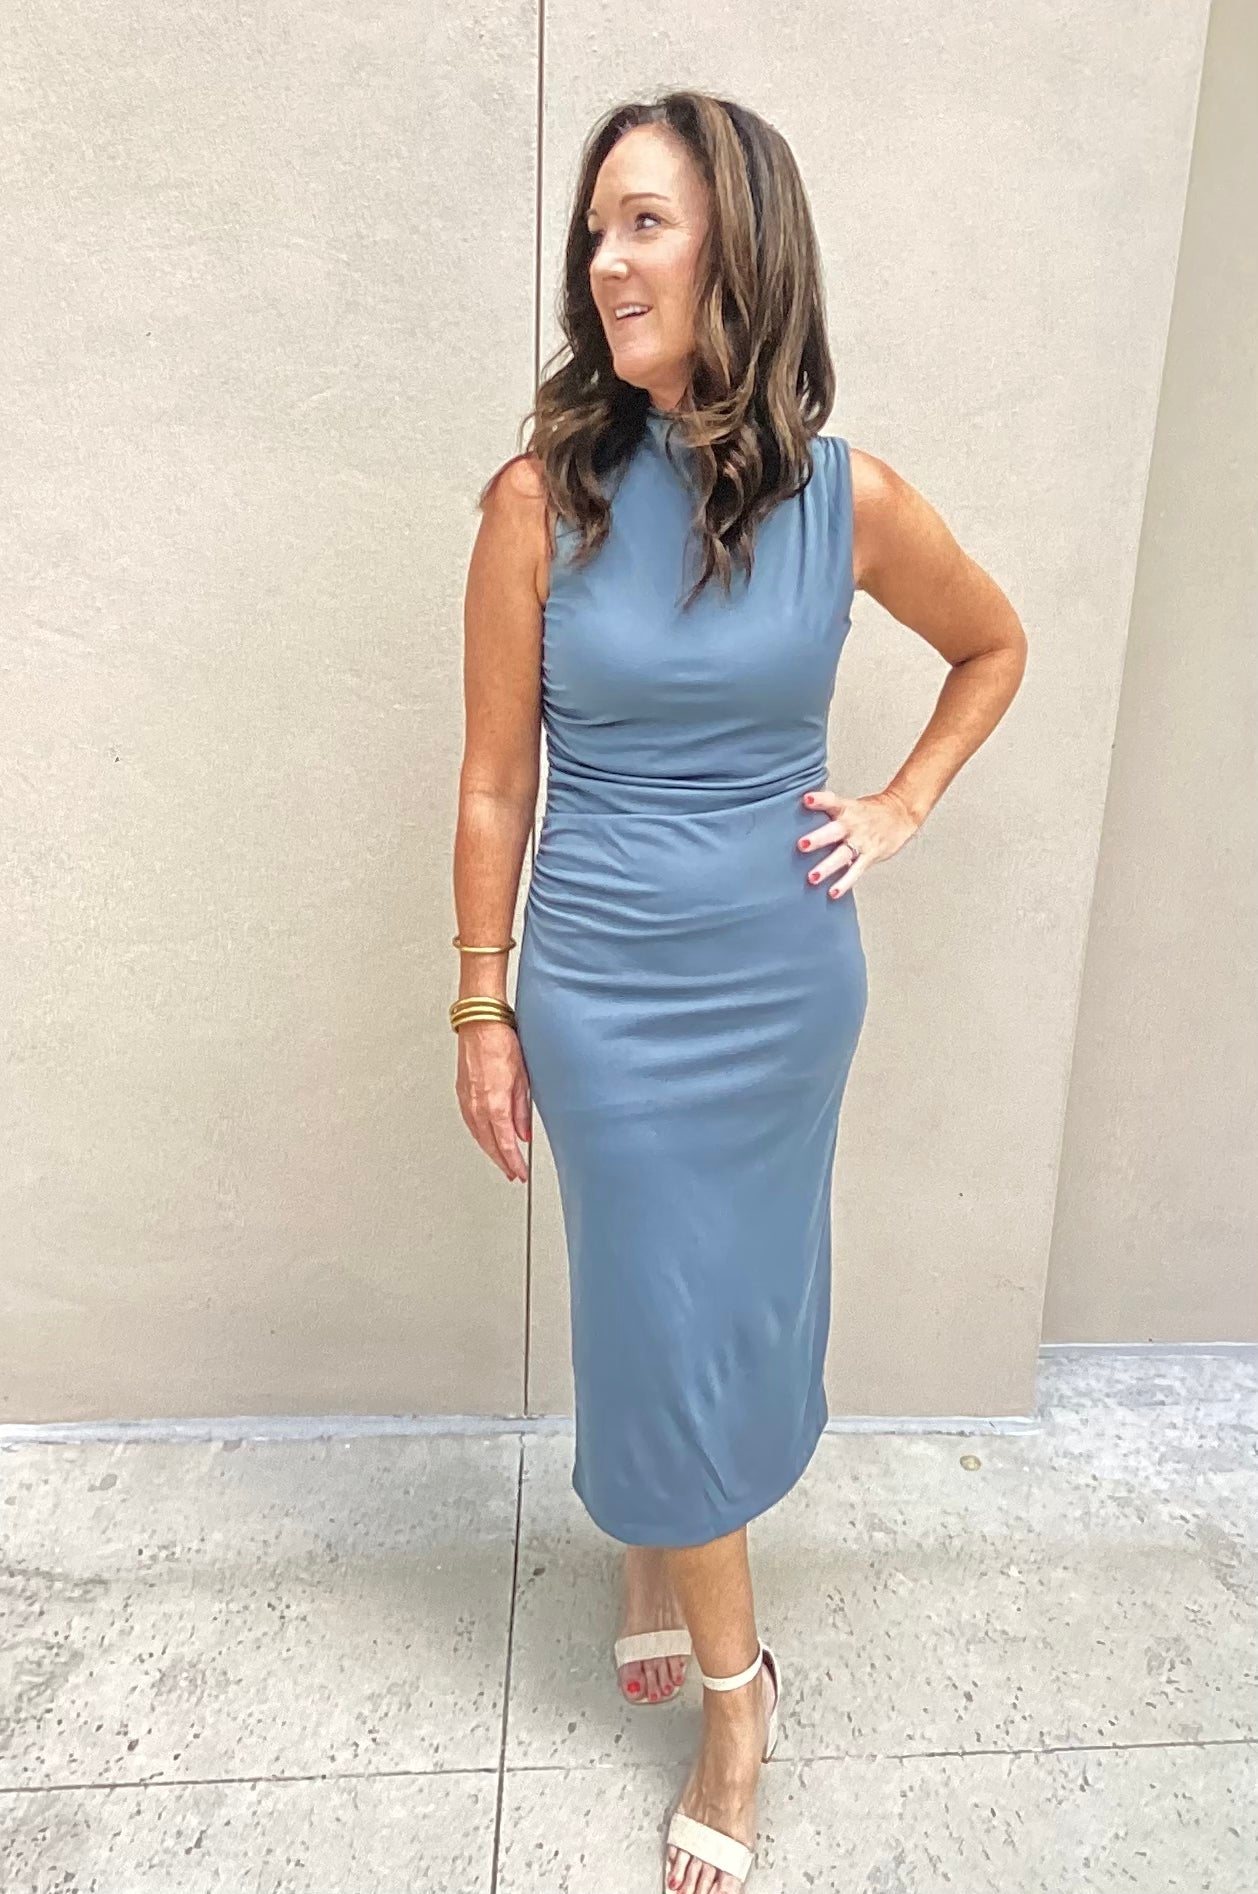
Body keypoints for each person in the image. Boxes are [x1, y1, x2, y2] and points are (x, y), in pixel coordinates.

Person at [451, 90, 1026, 1894]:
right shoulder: (536, 503)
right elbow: (495, 784)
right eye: (595, 231)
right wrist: (480, 1004)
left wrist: (898, 803)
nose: (605, 263)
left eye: (645, 223)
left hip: (779, 993)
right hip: (602, 995)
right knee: (654, 1310)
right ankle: (736, 1695)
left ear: (740, 247)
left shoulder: (852, 501)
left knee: (718, 1317)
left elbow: (992, 644)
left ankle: (659, 1551)